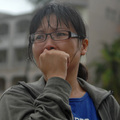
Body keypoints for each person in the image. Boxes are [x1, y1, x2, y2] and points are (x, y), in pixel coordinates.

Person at [0, 2, 120, 120]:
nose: (48, 45)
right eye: (39, 37)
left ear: (83, 46)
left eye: (60, 34)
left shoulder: (106, 103)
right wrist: (56, 79)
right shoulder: (16, 97)